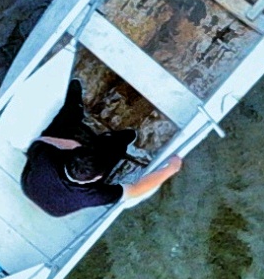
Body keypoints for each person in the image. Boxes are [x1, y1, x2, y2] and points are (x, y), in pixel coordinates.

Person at [20, 67, 184, 218]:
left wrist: (68, 143)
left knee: (61, 124)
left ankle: (74, 104)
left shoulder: (45, 157)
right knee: (112, 150)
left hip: (29, 186)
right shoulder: (94, 195)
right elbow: (135, 190)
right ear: (96, 179)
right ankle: (123, 139)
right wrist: (171, 169)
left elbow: (40, 141)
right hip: (51, 204)